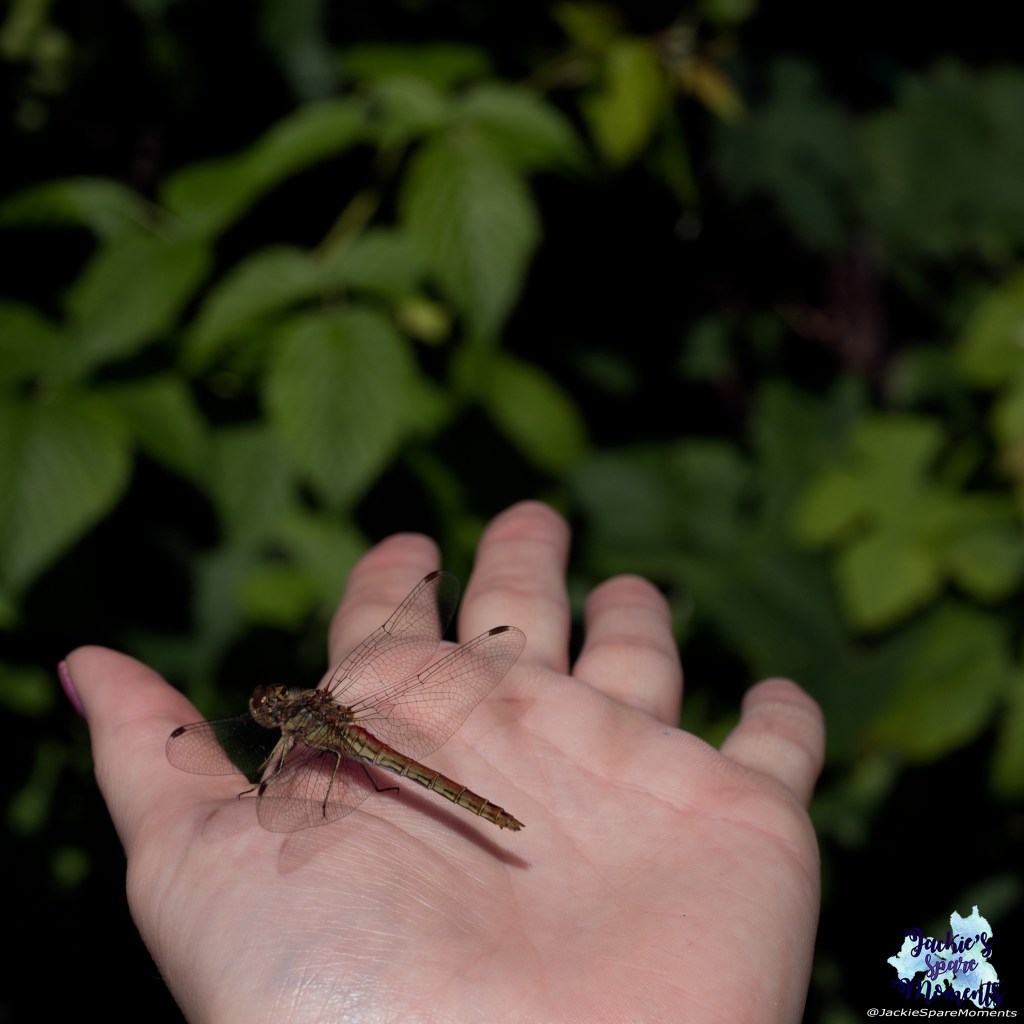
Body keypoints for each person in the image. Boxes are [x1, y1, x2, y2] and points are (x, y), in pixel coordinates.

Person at [61, 501, 824, 1023]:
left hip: (367, 745)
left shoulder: (300, 741)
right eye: (269, 709)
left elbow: (279, 794)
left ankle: (492, 814)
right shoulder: (320, 710)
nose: (269, 713)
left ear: (282, 714)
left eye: (271, 709)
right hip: (367, 737)